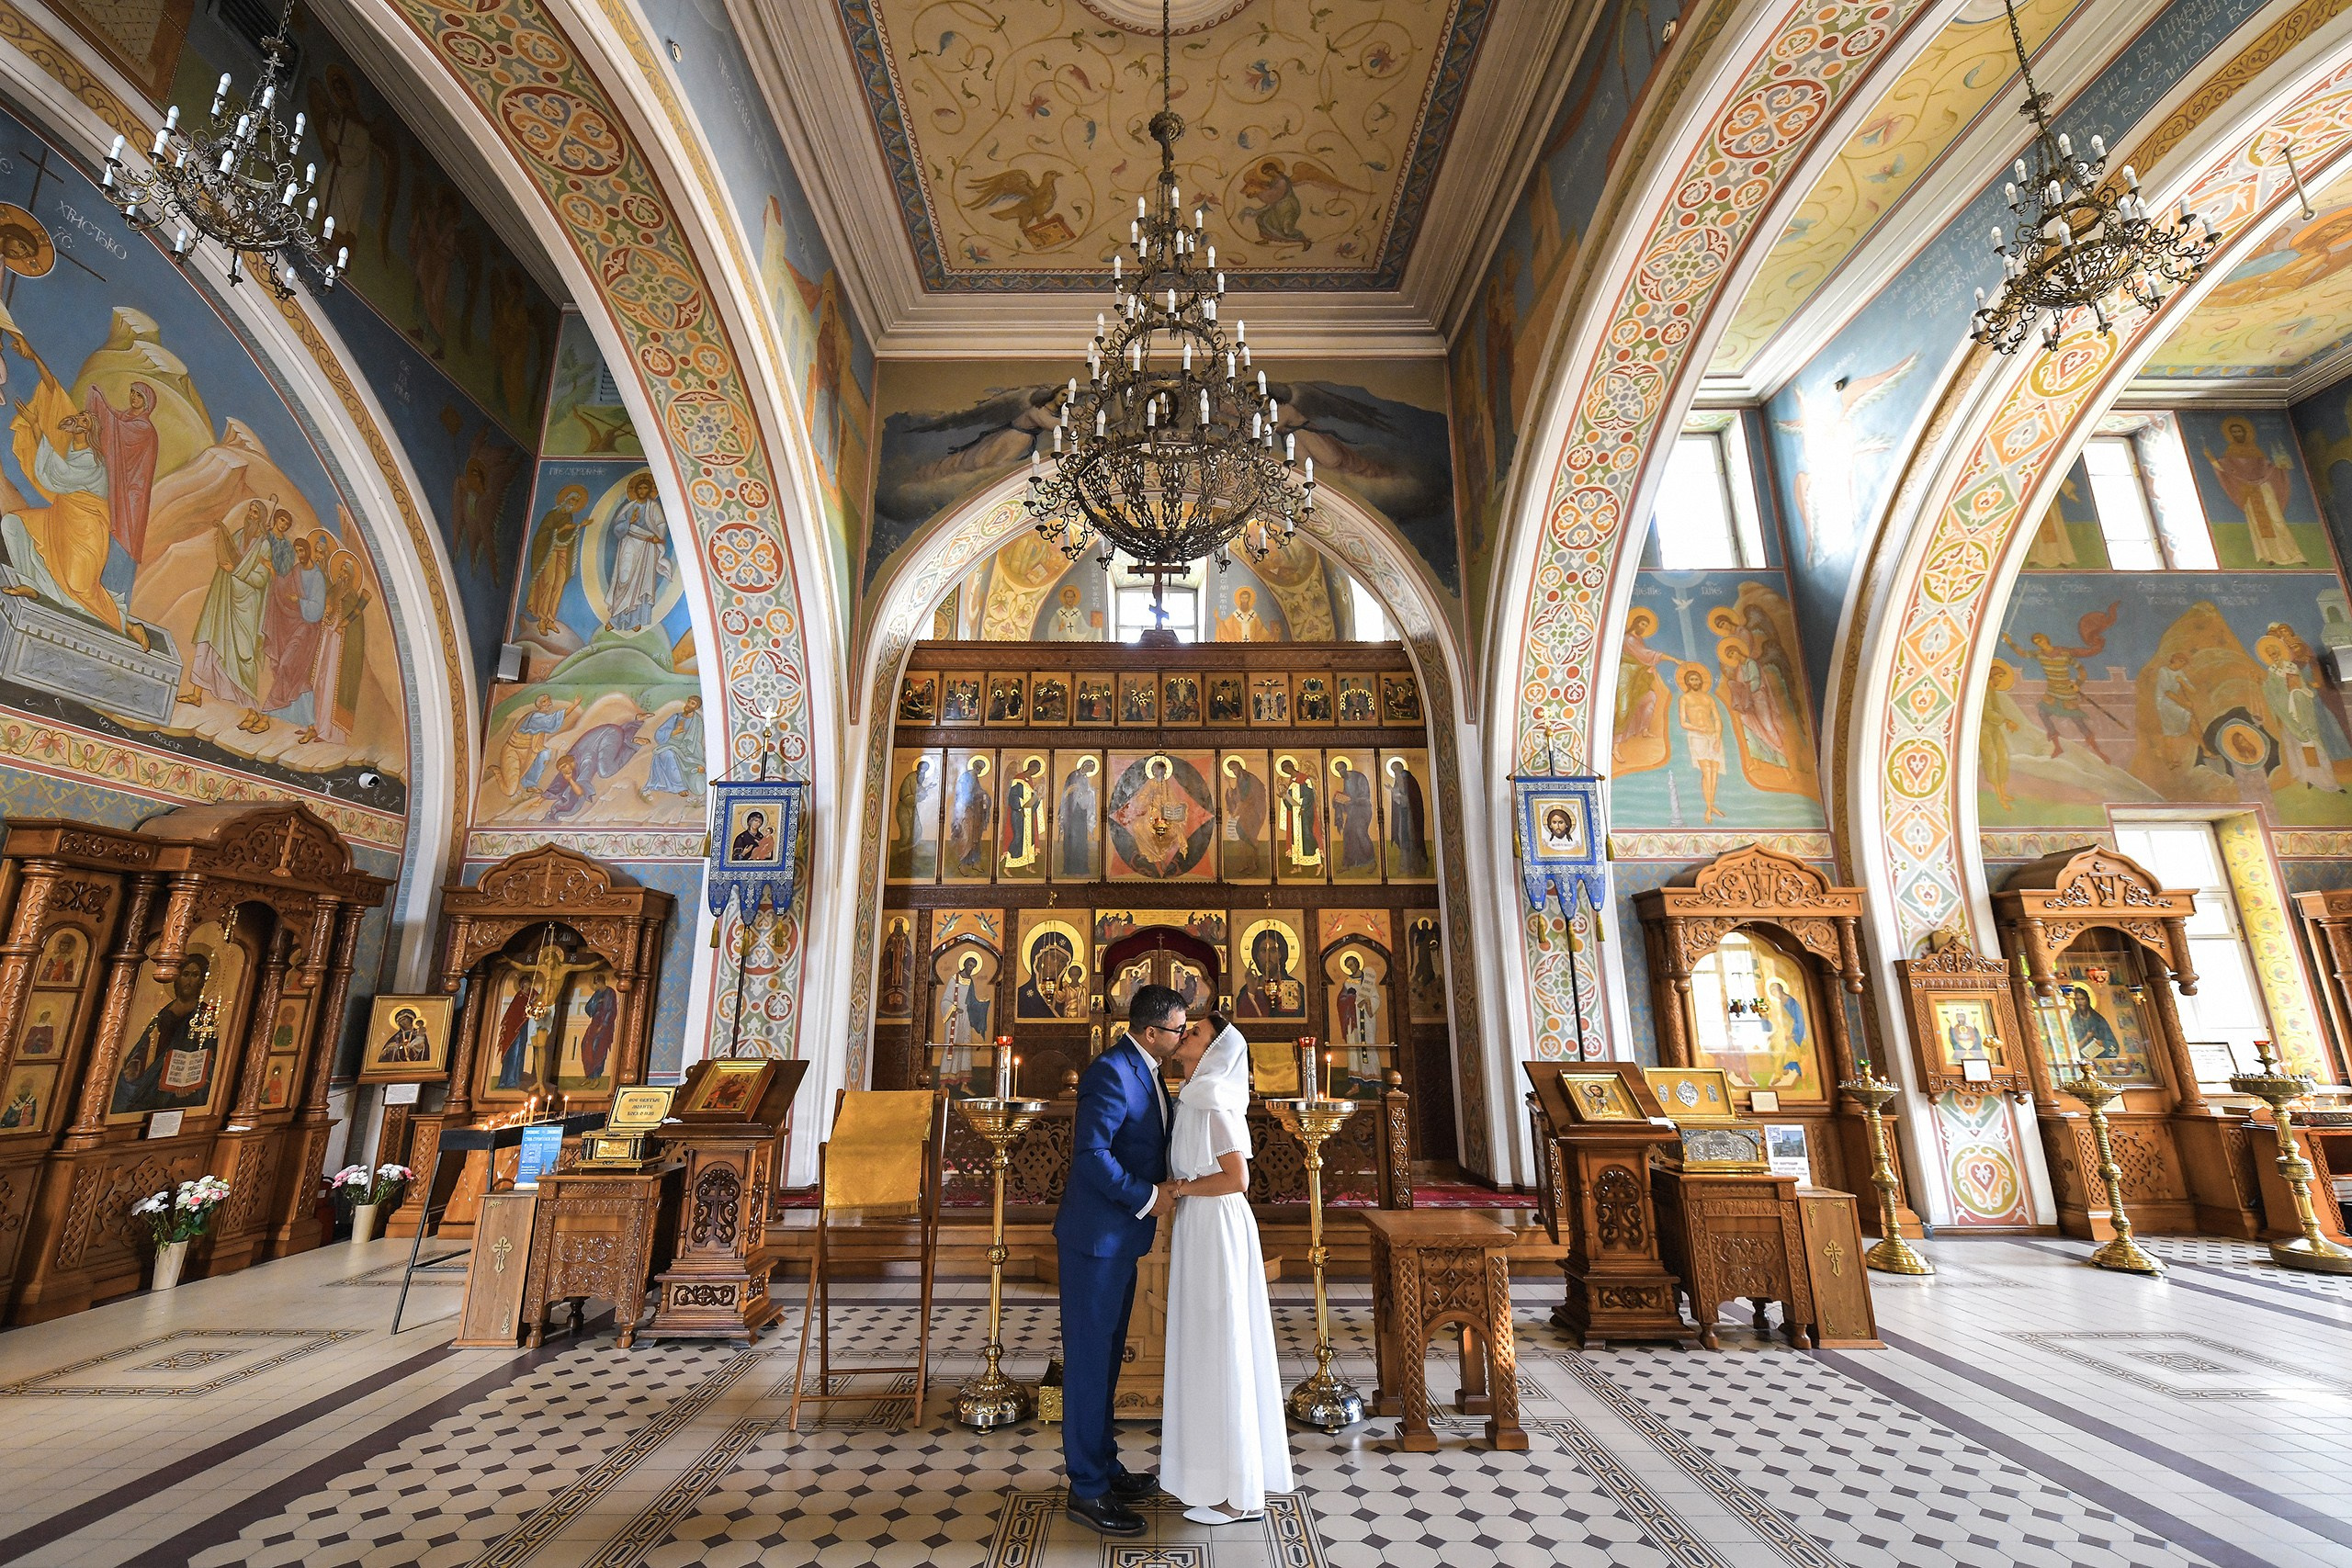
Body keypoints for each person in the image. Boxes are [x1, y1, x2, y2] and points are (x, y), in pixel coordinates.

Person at [1053, 983, 1182, 1538]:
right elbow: (1091, 1157)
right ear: (1152, 1032)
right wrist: (1149, 1196)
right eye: (1179, 1030)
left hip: (1118, 1241)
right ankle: (1087, 1489)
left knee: (1107, 1358)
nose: (1182, 1038)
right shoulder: (1111, 1071)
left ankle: (1104, 1465)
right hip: (1094, 1241)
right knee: (1087, 1363)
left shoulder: (1148, 1069)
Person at [1161, 1013, 1292, 1526]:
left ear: (1215, 1050)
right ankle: (1218, 1478)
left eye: (1193, 1032)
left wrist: (1180, 1191)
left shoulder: (1213, 1099)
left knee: (1223, 1343)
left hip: (1217, 1225)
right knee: (1209, 1345)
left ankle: (1237, 1493)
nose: (1183, 1035)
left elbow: (1236, 1178)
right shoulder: (1196, 1096)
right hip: (1202, 1224)